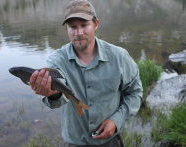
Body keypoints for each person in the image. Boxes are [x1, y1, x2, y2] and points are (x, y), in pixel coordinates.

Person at [30, 0, 143, 146]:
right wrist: (53, 94)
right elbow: (59, 96)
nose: (79, 33)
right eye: (73, 27)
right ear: (67, 29)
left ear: (96, 24)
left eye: (84, 25)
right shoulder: (57, 60)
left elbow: (135, 93)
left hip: (111, 140)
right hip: (74, 141)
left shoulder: (119, 57)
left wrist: (116, 120)